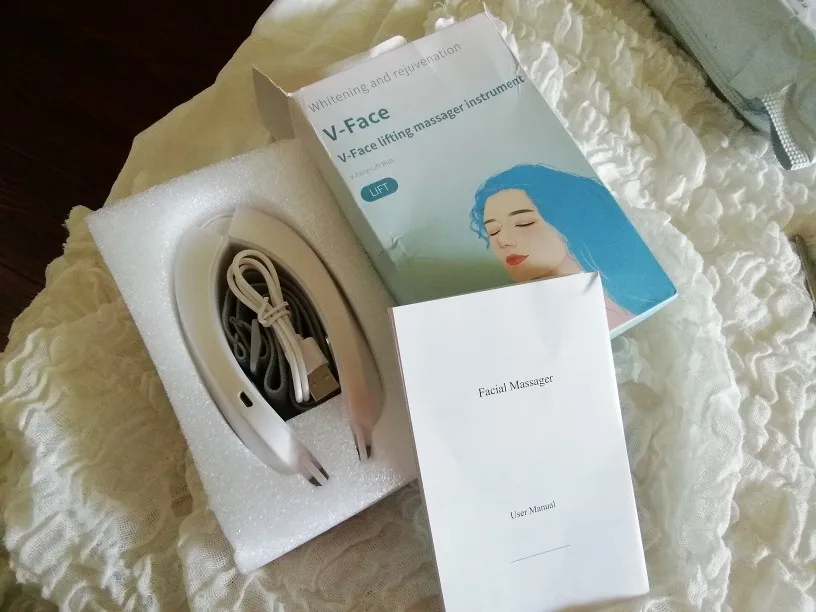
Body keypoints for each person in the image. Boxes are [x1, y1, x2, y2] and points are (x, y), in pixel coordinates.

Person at [470, 164, 666, 328]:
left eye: (523, 223)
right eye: (493, 231)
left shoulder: (609, 314)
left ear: (569, 222)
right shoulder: (516, 315)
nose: (503, 240)